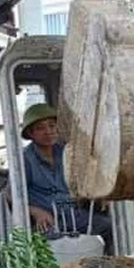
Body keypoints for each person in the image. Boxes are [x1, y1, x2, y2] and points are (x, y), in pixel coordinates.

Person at [21, 103, 113, 254]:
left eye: (51, 126)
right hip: (48, 221)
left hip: (74, 214)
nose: (48, 131)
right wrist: (37, 212)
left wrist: (99, 194)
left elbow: (83, 178)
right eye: (40, 128)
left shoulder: (66, 151)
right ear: (31, 133)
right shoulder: (25, 158)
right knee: (52, 251)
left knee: (108, 227)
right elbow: (10, 196)